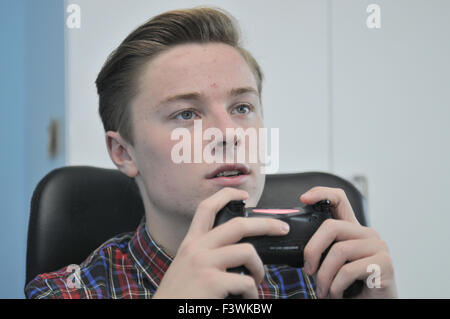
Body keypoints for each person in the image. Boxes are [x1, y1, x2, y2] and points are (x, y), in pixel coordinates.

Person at [25, 6, 397, 299]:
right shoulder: (65, 293)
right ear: (123, 152)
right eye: (186, 114)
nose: (229, 133)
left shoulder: (324, 280)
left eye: (242, 108)